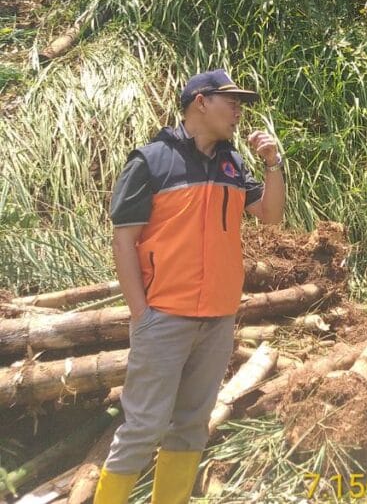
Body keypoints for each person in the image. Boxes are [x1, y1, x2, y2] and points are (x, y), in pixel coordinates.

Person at [94, 69, 286, 504]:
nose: (239, 110)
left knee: (191, 425)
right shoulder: (151, 161)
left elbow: (271, 214)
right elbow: (124, 240)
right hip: (164, 316)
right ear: (200, 102)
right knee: (143, 429)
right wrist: (141, 314)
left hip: (218, 317)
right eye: (230, 101)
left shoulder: (232, 164)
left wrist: (273, 164)